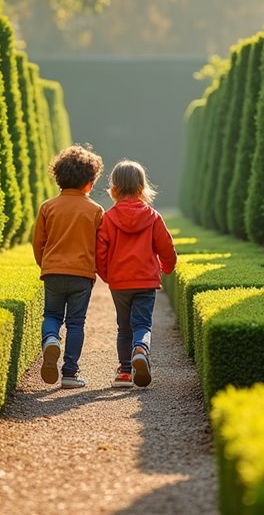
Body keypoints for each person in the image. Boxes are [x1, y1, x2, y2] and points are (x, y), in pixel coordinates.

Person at [96, 160, 177, 388]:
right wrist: (167, 267)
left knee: (123, 327)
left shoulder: (108, 218)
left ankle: (124, 372)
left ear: (113, 188)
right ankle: (140, 349)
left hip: (120, 282)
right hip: (146, 281)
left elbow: (99, 252)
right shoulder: (153, 217)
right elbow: (167, 248)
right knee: (142, 324)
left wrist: (107, 275)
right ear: (142, 187)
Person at [33, 144, 105, 389]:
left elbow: (38, 243)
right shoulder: (96, 210)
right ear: (89, 183)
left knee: (51, 315)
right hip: (81, 275)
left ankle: (51, 339)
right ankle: (70, 373)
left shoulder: (47, 207)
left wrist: (46, 264)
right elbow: (100, 246)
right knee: (76, 323)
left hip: (53, 271)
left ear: (58, 178)